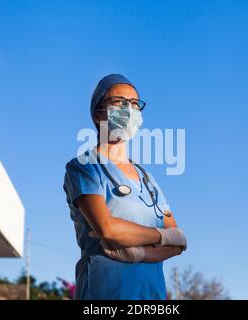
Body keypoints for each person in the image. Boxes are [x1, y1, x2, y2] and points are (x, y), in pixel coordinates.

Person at [63, 74, 187, 299]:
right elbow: (107, 229)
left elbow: (178, 242)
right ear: (97, 112)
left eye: (134, 103)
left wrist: (137, 253)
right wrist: (161, 237)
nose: (129, 109)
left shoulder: (146, 178)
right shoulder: (85, 167)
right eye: (119, 101)